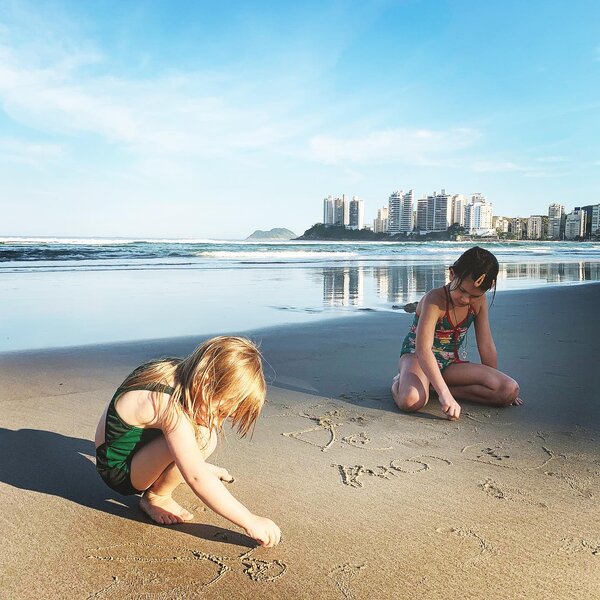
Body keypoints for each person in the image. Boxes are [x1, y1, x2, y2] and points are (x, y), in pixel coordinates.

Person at [95, 335, 281, 547]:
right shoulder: (166, 405)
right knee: (201, 436)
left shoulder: (174, 371)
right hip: (119, 471)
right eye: (220, 411)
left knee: (204, 433)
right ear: (205, 383)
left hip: (119, 449)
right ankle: (157, 496)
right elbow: (196, 478)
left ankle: (183, 462)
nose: (218, 422)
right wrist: (250, 520)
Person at [391, 246, 522, 421]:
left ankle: (432, 387)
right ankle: (398, 382)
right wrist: (445, 395)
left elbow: (486, 345)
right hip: (418, 358)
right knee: (411, 401)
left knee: (509, 390)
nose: (466, 299)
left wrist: (495, 383)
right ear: (452, 274)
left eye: (474, 296)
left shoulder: (479, 303)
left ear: (487, 289)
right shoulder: (434, 300)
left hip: (449, 363)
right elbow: (423, 350)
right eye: (462, 291)